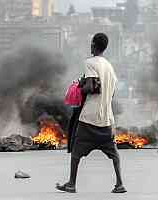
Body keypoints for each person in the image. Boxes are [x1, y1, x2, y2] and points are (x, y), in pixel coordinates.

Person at [56, 33, 127, 193]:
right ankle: (120, 184)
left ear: (94, 45)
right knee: (113, 153)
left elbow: (92, 87)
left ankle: (71, 184)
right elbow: (110, 92)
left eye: (91, 44)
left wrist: (79, 87)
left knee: (76, 151)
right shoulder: (109, 67)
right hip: (107, 119)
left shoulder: (90, 63)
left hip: (89, 118)